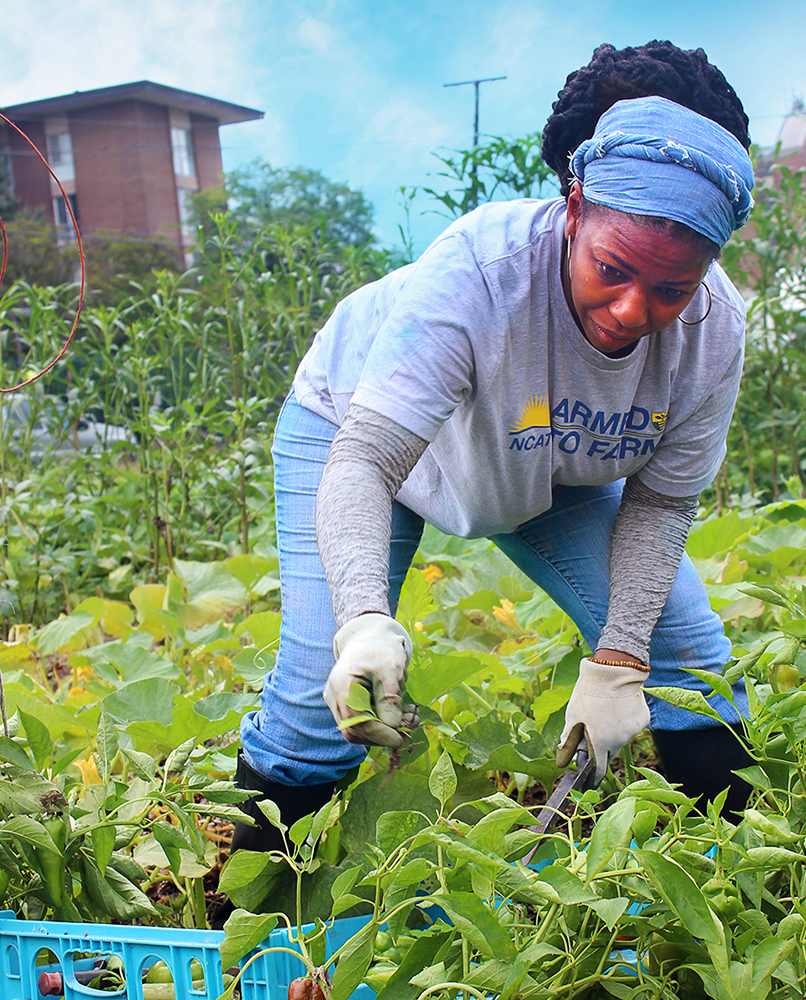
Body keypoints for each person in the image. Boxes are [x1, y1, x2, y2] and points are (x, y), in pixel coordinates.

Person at [233, 40, 756, 853]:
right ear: (574, 207)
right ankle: (253, 927)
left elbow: (662, 503)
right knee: (317, 700)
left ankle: (736, 884)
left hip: (547, 465)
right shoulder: (482, 272)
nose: (630, 308)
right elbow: (366, 462)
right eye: (612, 270)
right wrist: (365, 620)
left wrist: (619, 660)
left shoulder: (714, 330)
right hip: (362, 437)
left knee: (689, 659)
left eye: (670, 289)